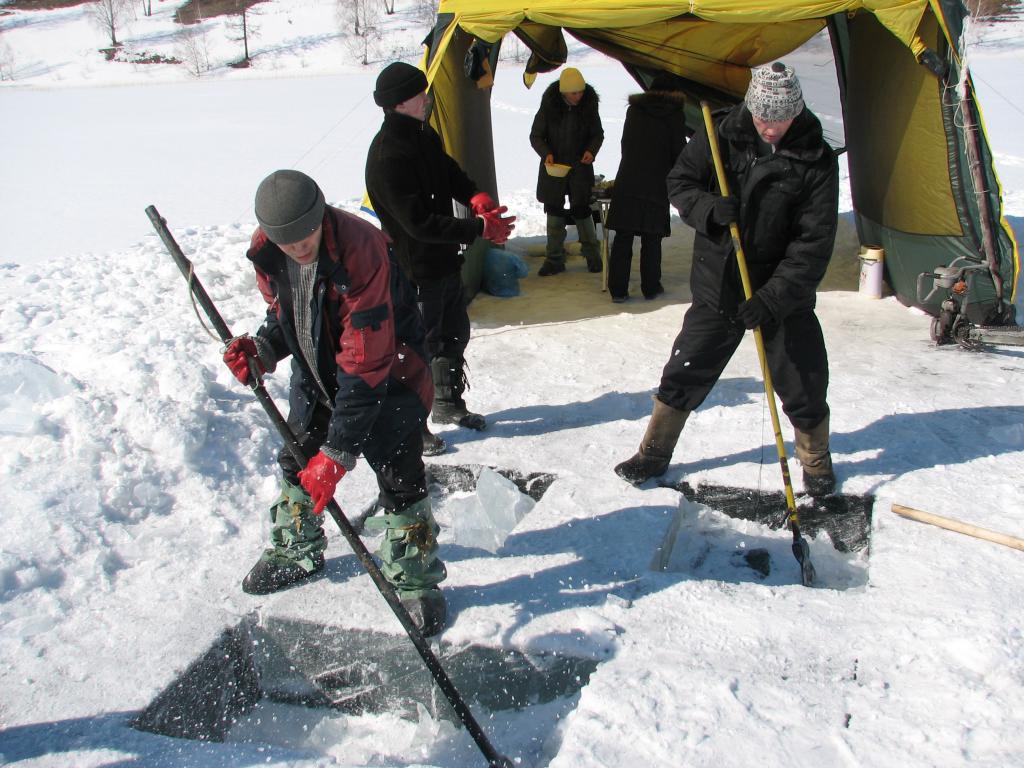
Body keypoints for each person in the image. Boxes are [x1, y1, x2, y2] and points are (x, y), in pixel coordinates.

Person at [223, 169, 448, 636]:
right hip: (319, 369)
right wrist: (263, 348)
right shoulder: (268, 251)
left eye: (308, 235)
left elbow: (366, 363)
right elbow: (289, 313)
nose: (300, 247)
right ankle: (296, 548)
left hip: (390, 370)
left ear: (321, 215)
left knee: (400, 472)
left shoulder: (361, 249)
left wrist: (339, 453)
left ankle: (415, 578)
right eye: (290, 242)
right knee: (298, 457)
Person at [614, 62, 839, 497]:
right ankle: (653, 452)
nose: (768, 128)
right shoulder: (722, 133)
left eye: (779, 119)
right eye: (761, 117)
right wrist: (708, 209)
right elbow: (679, 182)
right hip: (719, 281)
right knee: (685, 368)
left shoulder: (816, 159)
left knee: (804, 378)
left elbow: (812, 246)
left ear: (796, 112)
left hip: (781, 293)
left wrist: (772, 299)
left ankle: (815, 462)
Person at [365, 61, 515, 454]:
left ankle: (447, 403)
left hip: (445, 262)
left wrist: (474, 196)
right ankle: (413, 427)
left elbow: (446, 171)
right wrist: (478, 229)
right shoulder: (387, 157)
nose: (427, 99)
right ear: (400, 103)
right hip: (415, 268)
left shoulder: (421, 135)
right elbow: (417, 224)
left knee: (453, 334)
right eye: (420, 95)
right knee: (417, 349)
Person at [605, 74, 689, 302]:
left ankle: (618, 290)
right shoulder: (674, 115)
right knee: (652, 238)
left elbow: (626, 145)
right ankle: (651, 286)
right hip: (657, 181)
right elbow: (678, 152)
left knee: (623, 235)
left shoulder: (634, 111)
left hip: (629, 178)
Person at [529, 66, 604, 276]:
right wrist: (546, 154)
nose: (578, 96)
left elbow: (597, 135)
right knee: (554, 213)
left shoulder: (589, 106)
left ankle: (593, 256)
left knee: (583, 211)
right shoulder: (549, 107)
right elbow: (535, 136)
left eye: (580, 92)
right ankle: (554, 259)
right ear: (563, 92)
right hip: (554, 170)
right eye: (574, 93)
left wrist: (591, 151)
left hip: (580, 168)